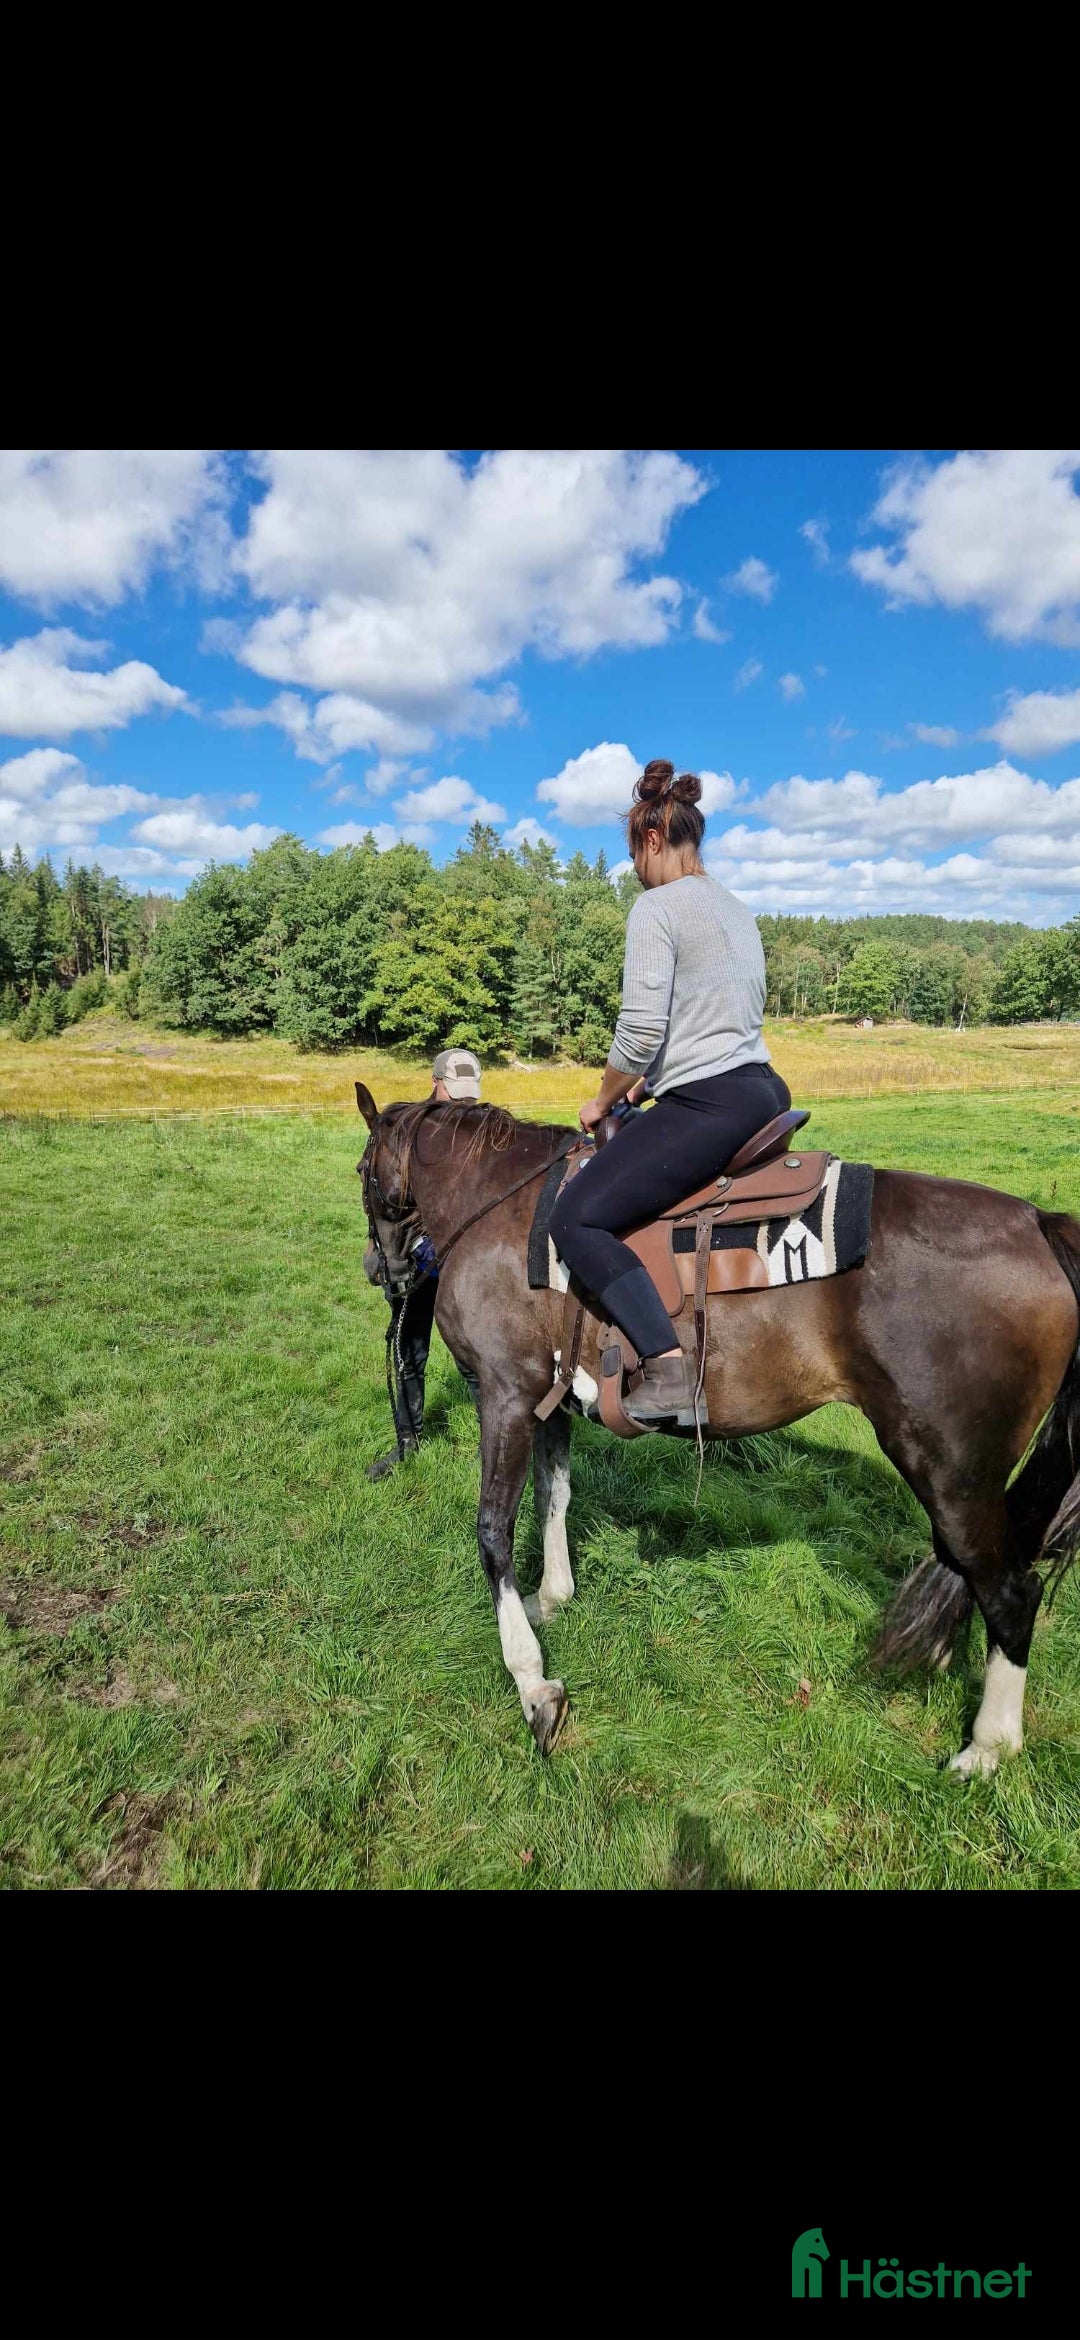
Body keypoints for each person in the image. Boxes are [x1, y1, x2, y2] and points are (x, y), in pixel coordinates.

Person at [550, 758, 791, 1424]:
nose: (636, 872)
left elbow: (641, 1025)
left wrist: (605, 1099)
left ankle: (668, 1366)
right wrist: (647, 1090)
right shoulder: (737, 910)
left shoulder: (655, 908)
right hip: (761, 1087)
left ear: (652, 842)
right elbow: (708, 1021)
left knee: (577, 1217)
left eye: (635, 858)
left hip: (710, 1100)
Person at [365, 1049, 482, 1481]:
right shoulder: (409, 1133)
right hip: (417, 1260)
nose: (462, 1103)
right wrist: (380, 1250)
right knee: (408, 1350)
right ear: (435, 1082)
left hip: (462, 1264)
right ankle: (407, 1443)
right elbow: (384, 1198)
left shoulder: (481, 1131)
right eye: (456, 1093)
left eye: (468, 1095)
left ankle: (493, 1445)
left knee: (473, 1358)